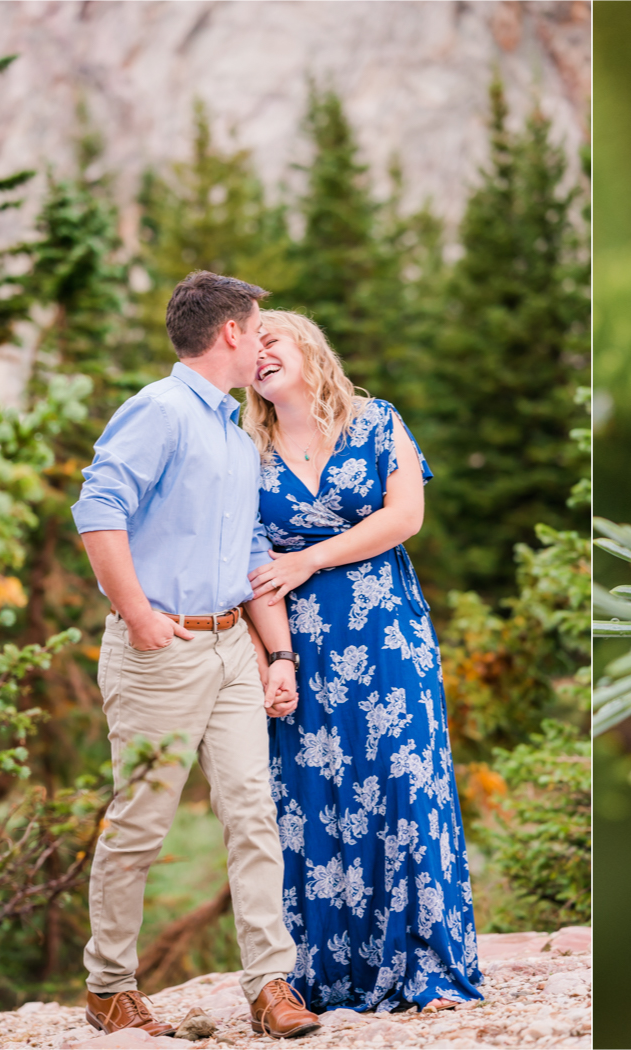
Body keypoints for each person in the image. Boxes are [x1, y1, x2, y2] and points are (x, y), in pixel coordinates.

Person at [71, 272, 321, 1040]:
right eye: (258, 327)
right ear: (232, 336)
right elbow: (98, 508)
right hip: (161, 650)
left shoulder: (237, 435)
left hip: (230, 652)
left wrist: (276, 652)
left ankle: (269, 986)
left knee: (253, 815)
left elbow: (248, 550)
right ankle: (109, 986)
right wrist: (138, 614)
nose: (262, 339)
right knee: (141, 823)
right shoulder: (159, 410)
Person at [243, 310, 482, 1013]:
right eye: (250, 350)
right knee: (313, 795)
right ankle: (328, 972)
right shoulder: (243, 447)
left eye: (271, 341)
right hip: (301, 642)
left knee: (403, 780)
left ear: (308, 346)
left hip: (384, 632)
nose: (260, 357)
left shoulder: (377, 421)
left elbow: (404, 516)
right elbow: (251, 564)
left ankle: (427, 966)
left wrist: (309, 558)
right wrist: (271, 657)